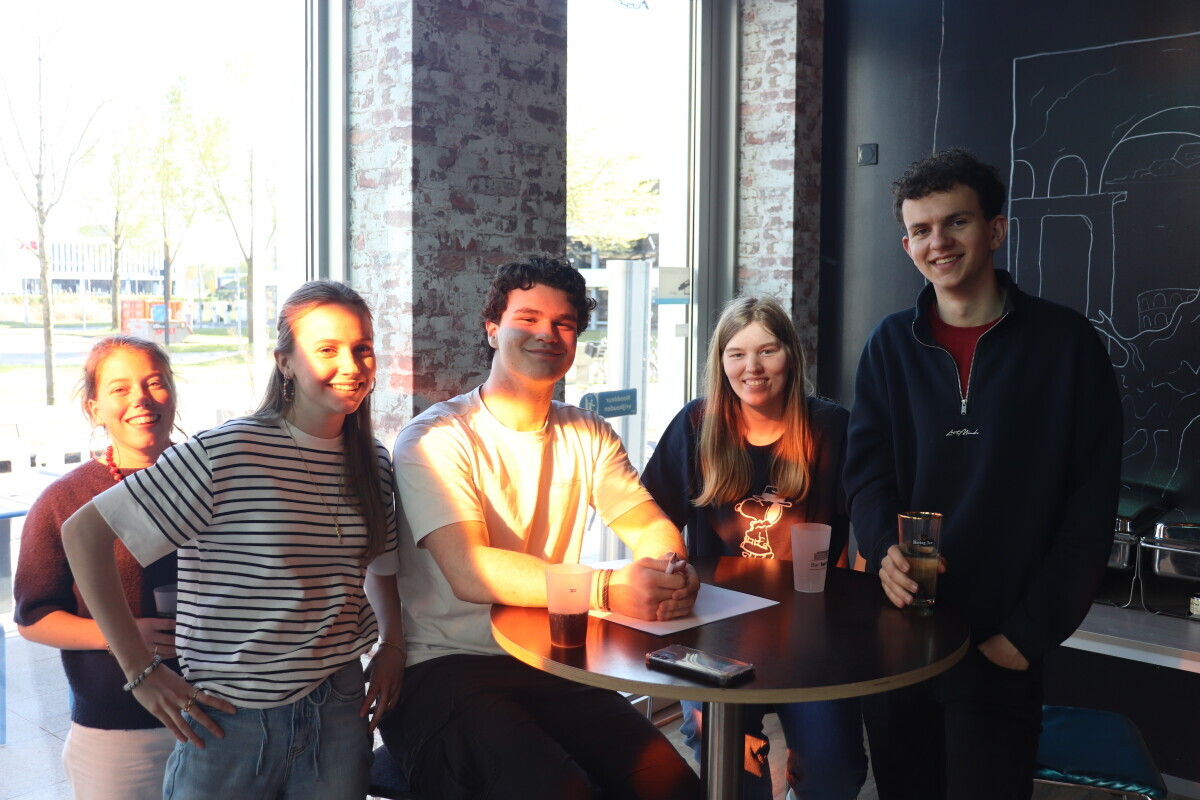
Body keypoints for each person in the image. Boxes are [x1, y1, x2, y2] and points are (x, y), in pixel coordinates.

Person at [843, 148, 1122, 799]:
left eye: (956, 222)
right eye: (920, 229)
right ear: (907, 244)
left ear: (995, 229)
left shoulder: (1067, 346)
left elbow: (1090, 509)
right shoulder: (889, 345)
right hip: (902, 635)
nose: (937, 242)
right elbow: (867, 474)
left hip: (1000, 640)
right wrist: (883, 549)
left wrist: (1027, 635)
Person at [62, 281, 405, 800]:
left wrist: (393, 643)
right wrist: (140, 671)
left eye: (362, 349)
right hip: (231, 719)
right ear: (285, 363)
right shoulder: (227, 451)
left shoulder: (372, 459)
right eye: (327, 350)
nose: (351, 365)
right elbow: (83, 534)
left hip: (338, 708)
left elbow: (381, 565)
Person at [381, 254, 703, 799]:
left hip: (549, 659)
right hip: (443, 667)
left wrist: (668, 569)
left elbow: (650, 524)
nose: (547, 334)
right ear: (492, 328)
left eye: (564, 323)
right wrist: (608, 588)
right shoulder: (436, 438)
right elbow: (470, 572)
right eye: (528, 318)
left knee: (673, 788)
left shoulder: (588, 433)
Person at [641, 296, 867, 799]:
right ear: (721, 363)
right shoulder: (697, 424)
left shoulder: (831, 427)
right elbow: (650, 518)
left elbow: (871, 518)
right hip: (715, 632)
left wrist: (861, 599)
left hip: (812, 633)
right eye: (737, 354)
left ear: (791, 354)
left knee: (834, 770)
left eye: (767, 351)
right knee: (728, 762)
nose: (753, 368)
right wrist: (667, 571)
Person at [13, 336, 181, 799]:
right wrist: (120, 635)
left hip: (224, 718)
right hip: (119, 732)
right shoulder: (64, 501)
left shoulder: (214, 479)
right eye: (120, 389)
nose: (141, 399)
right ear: (95, 409)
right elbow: (33, 618)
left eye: (154, 383)